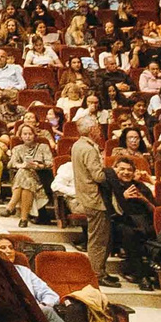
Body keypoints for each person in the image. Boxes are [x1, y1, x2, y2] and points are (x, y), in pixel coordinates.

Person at [69, 117, 109, 278]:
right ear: (92, 130)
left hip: (85, 196)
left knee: (96, 237)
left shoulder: (77, 145)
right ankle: (97, 273)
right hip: (94, 198)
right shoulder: (88, 149)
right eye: (98, 127)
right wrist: (112, 173)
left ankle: (99, 270)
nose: (100, 130)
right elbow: (98, 176)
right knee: (98, 239)